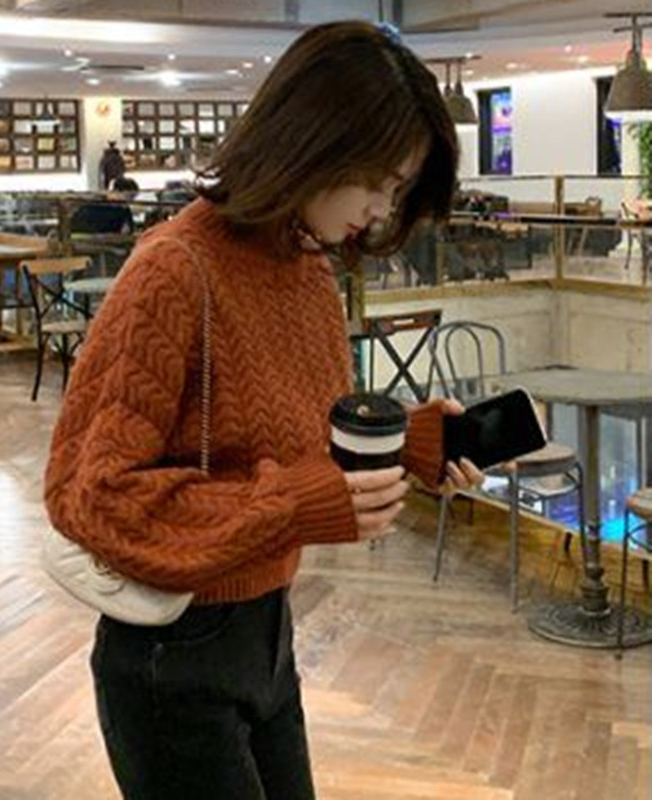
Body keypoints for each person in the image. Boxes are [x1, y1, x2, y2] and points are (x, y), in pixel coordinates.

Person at [44, 20, 482, 800]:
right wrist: (290, 506)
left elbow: (295, 443)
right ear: (313, 141)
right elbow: (91, 494)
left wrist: (405, 444)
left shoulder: (307, 267)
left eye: (398, 191)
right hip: (171, 653)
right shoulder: (174, 270)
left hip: (267, 632)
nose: (381, 209)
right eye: (380, 181)